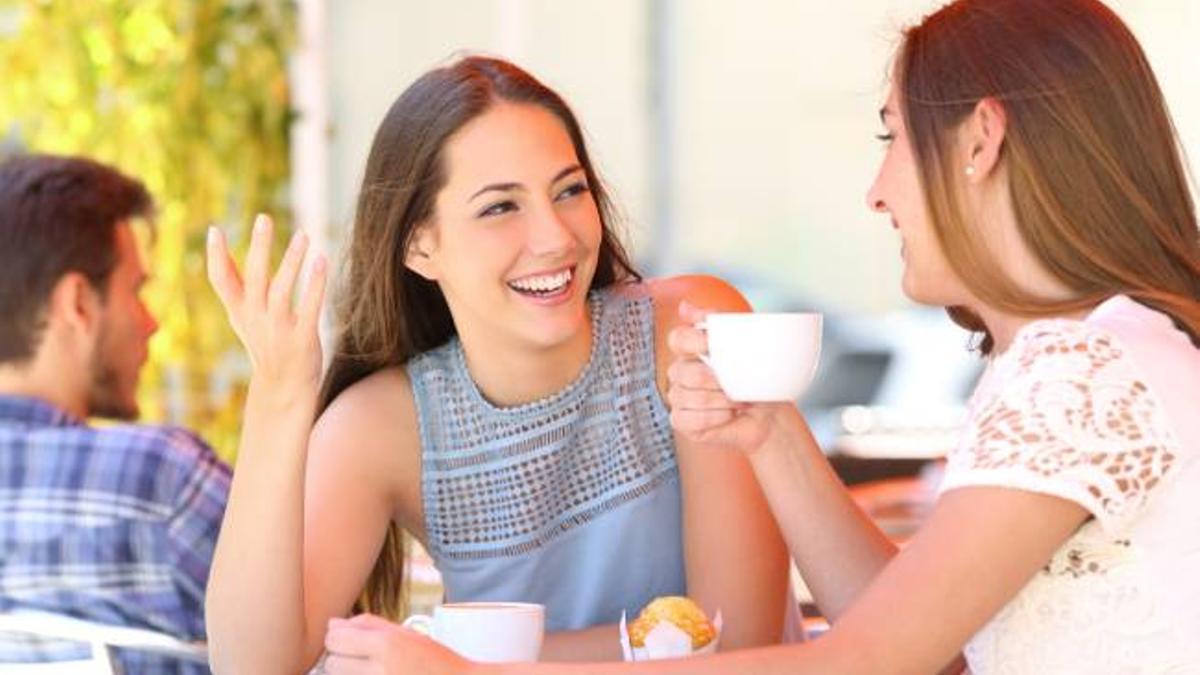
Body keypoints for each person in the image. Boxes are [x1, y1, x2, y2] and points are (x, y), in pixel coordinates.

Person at [316, 0, 1200, 673]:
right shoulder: (1087, 356)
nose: (877, 191)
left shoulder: (1084, 372)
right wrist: (772, 436)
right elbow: (913, 637)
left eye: (893, 138)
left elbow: (862, 662)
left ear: (981, 141)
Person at [204, 57, 796, 674]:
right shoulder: (384, 427)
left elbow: (740, 643)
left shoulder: (691, 331)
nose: (555, 238)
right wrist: (278, 399)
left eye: (569, 191)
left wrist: (456, 664)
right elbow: (252, 666)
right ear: (419, 245)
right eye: (499, 208)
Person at [0, 154, 231, 674]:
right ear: (78, 303)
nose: (150, 323)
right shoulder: (160, 479)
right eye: (136, 291)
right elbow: (327, 636)